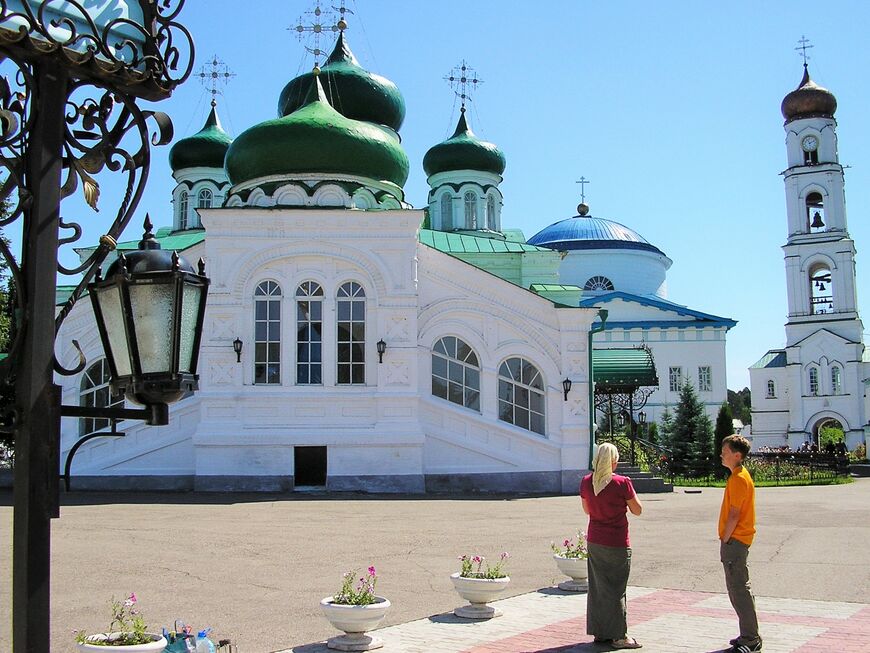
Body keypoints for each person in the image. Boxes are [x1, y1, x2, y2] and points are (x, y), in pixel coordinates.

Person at [580, 443, 643, 649]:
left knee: (598, 588)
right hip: (616, 541)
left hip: (595, 540)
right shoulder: (622, 483)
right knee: (616, 589)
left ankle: (601, 632)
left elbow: (587, 510)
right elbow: (637, 510)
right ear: (613, 461)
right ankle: (619, 636)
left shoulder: (587, 482)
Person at [719, 434, 762, 653]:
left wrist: (725, 538)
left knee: (739, 589)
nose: (721, 455)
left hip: (735, 540)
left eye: (725, 452)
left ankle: (750, 639)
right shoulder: (739, 475)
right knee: (739, 588)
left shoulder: (738, 479)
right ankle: (748, 635)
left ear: (737, 455)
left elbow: (734, 514)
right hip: (739, 539)